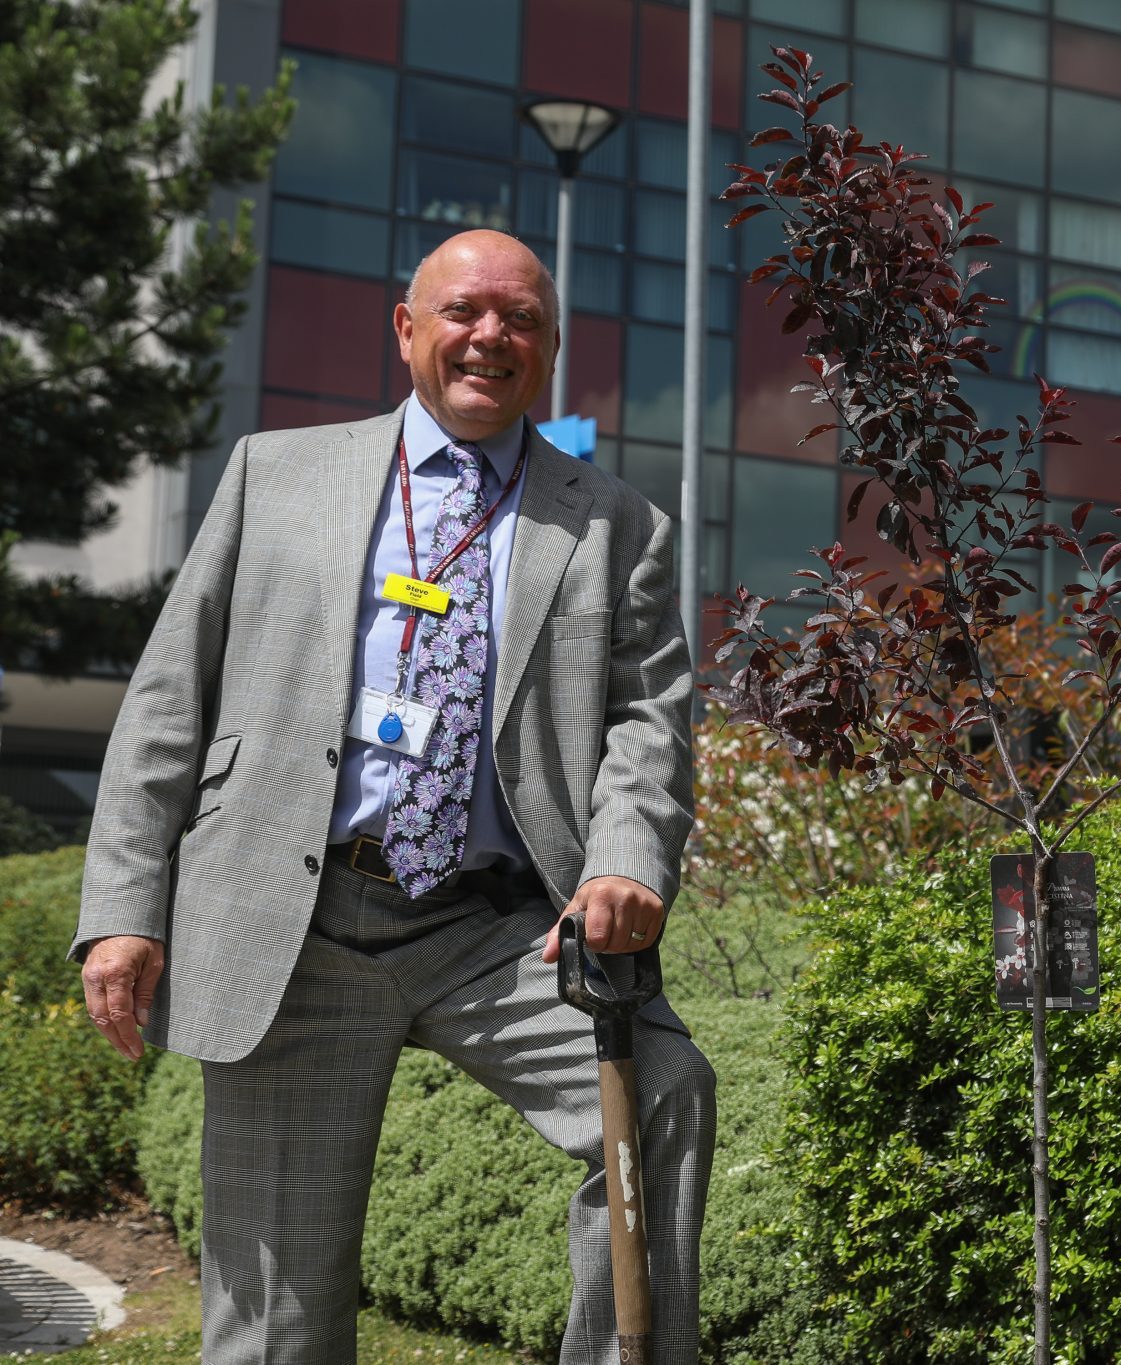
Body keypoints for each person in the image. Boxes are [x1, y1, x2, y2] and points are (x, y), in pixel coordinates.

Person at [73, 230, 713, 1364]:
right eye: (463, 310)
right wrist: (124, 907)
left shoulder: (617, 525)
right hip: (300, 927)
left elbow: (647, 723)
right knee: (279, 1315)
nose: (489, 337)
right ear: (406, 329)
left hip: (499, 930)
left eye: (519, 318)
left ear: (551, 347)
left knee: (660, 1097)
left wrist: (627, 861)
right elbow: (170, 696)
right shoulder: (279, 476)